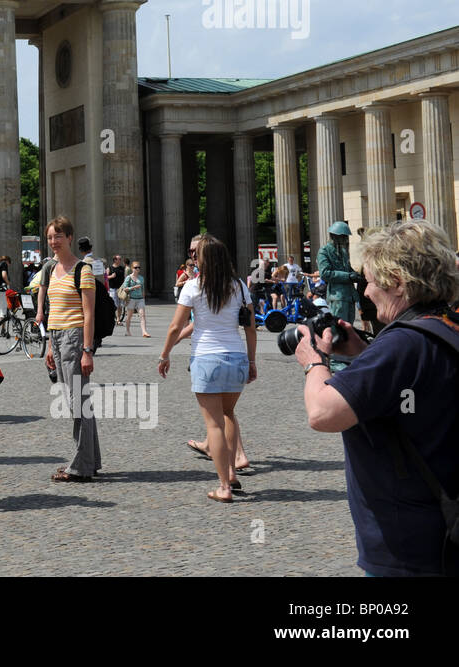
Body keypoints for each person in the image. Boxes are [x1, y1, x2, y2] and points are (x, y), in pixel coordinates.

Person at [294, 218, 459, 576]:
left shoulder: (402, 344)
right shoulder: (447, 325)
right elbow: (417, 382)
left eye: (370, 281)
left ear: (397, 283)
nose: (365, 292)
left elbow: (323, 413)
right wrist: (366, 352)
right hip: (444, 535)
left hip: (408, 549)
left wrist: (314, 363)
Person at [159, 233, 256, 503]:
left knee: (213, 424)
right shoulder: (238, 286)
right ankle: (233, 472)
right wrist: (252, 361)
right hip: (236, 358)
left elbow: (176, 326)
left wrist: (165, 354)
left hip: (207, 359)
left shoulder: (193, 286)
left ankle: (224, 486)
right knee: (228, 413)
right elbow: (249, 327)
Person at [41, 216, 99, 482]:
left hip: (75, 338)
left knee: (79, 403)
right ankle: (90, 460)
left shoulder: (82, 269)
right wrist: (50, 347)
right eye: (50, 237)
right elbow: (53, 310)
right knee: (76, 401)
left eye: (58, 236)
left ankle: (81, 466)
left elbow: (89, 314)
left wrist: (87, 350)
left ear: (69, 238)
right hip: (57, 336)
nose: (54, 242)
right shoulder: (51, 269)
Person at [317, 221, 362, 325]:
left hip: (349, 295)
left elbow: (347, 268)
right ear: (335, 236)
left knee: (349, 326)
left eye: (345, 237)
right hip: (337, 295)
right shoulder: (324, 251)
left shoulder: (343, 251)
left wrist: (356, 275)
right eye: (343, 236)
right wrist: (349, 276)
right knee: (338, 327)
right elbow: (325, 273)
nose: (345, 239)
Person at [119, 261, 151, 338]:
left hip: (140, 299)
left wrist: (143, 298)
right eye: (135, 267)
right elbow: (125, 289)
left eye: (139, 267)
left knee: (142, 315)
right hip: (131, 299)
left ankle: (144, 332)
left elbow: (142, 289)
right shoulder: (128, 277)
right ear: (132, 268)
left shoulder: (141, 278)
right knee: (129, 316)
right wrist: (133, 288)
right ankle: (127, 330)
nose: (137, 269)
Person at [107, 255, 126, 324]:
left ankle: (118, 319)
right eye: (119, 259)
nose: (120, 260)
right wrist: (111, 276)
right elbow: (105, 278)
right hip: (113, 289)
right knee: (115, 305)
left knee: (120, 305)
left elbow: (125, 277)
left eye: (120, 259)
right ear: (115, 260)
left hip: (121, 289)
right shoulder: (110, 268)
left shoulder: (122, 268)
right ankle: (113, 318)